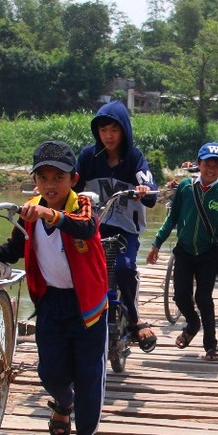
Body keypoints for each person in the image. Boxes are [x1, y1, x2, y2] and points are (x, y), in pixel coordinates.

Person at [0, 140, 108, 435]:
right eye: (43, 177)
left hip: (88, 306)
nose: (50, 184)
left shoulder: (83, 206)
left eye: (57, 177)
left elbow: (85, 227)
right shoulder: (30, 212)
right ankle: (63, 403)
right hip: (51, 303)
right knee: (49, 371)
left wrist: (51, 213)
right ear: (35, 181)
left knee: (89, 376)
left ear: (72, 179)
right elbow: (13, 249)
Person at [75, 100, 159, 354]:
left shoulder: (134, 159)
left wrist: (143, 190)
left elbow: (152, 194)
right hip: (92, 227)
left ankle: (134, 320)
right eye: (102, 130)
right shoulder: (88, 157)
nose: (108, 136)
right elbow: (71, 185)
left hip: (125, 229)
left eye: (114, 129)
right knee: (75, 267)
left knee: (123, 267)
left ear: (124, 131)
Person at [146, 142, 218, 362]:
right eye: (207, 164)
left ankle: (211, 346)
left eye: (217, 166)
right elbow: (173, 218)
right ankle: (192, 323)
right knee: (180, 296)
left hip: (208, 253)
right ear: (198, 164)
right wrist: (156, 243)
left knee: (204, 298)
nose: (211, 169)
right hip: (184, 252)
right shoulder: (186, 188)